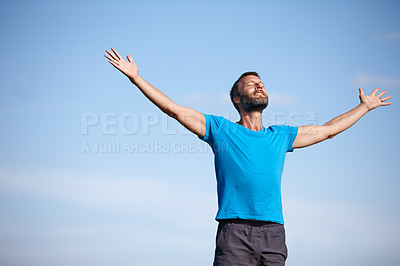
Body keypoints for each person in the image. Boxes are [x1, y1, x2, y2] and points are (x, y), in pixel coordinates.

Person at [104, 48, 392, 266]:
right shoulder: (221, 129)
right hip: (234, 232)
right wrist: (136, 78)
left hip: (274, 233)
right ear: (237, 99)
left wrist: (364, 108)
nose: (259, 85)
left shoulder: (281, 136)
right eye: (251, 83)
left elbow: (328, 130)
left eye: (261, 82)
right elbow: (174, 109)